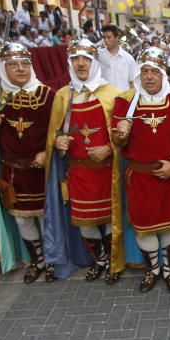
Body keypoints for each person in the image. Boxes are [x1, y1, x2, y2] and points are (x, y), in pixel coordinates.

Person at [112, 47, 170, 293]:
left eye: (154, 72)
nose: (149, 76)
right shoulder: (125, 101)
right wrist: (121, 134)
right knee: (145, 226)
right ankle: (154, 269)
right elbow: (117, 142)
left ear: (162, 74)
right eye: (144, 71)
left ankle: (169, 270)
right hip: (140, 177)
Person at [48, 38, 124, 283]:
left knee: (111, 219)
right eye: (75, 59)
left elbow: (123, 135)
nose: (81, 64)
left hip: (106, 171)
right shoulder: (62, 96)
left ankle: (113, 261)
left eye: (86, 59)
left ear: (94, 62)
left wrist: (110, 149)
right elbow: (54, 133)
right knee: (86, 223)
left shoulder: (112, 94)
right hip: (78, 172)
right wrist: (56, 143)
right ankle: (99, 261)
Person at [0, 42, 56, 283]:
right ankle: (37, 260)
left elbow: (57, 129)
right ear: (4, 68)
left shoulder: (47, 94)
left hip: (42, 169)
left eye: (25, 63)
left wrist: (48, 151)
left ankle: (52, 258)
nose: (21, 69)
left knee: (47, 216)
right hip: (12, 169)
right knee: (21, 218)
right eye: (13, 65)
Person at [97, 24, 138, 92]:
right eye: (104, 38)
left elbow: (132, 82)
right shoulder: (99, 56)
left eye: (109, 37)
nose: (106, 40)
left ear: (117, 38)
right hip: (104, 97)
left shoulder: (128, 59)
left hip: (123, 97)